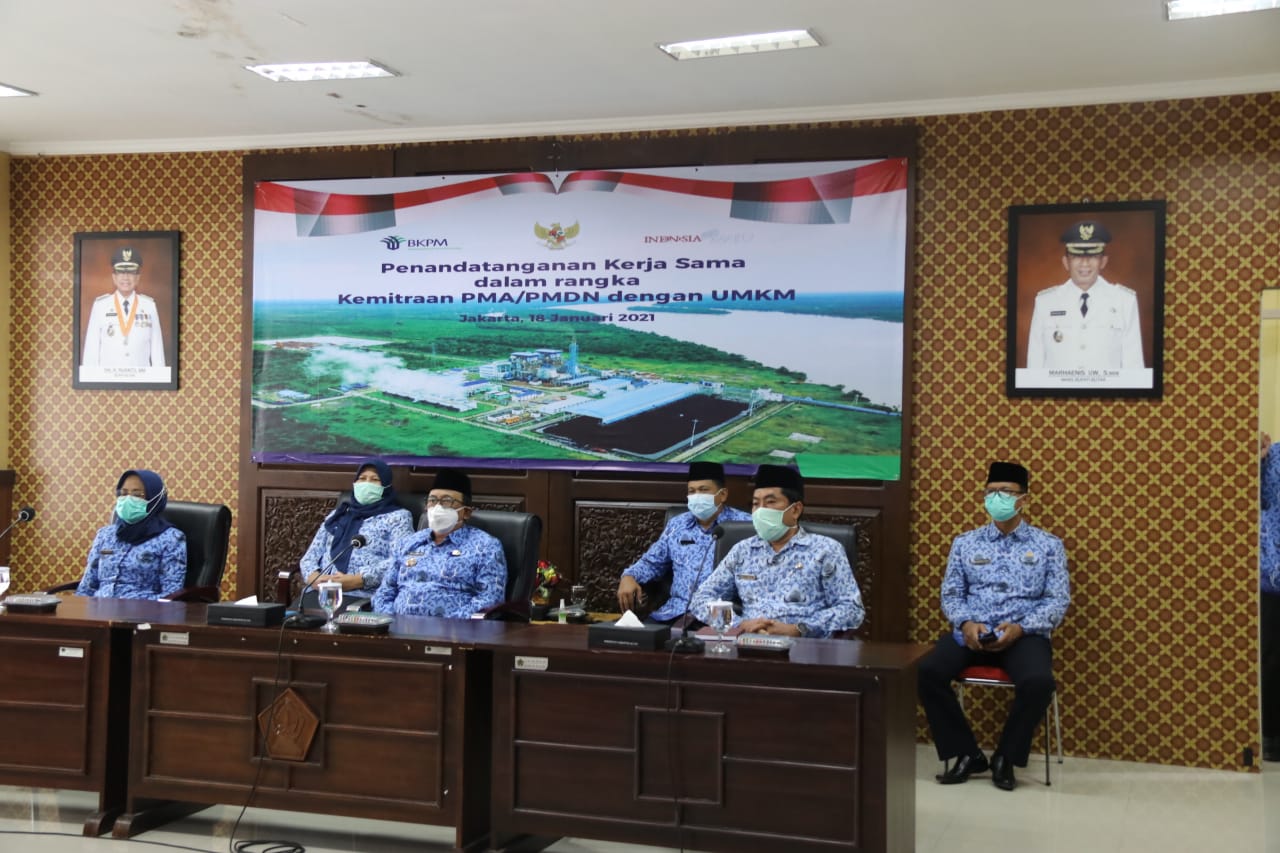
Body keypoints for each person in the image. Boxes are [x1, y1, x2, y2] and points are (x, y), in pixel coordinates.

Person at [918, 461, 1070, 791]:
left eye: (1005, 492)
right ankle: (967, 754)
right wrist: (966, 622)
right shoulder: (965, 543)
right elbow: (951, 593)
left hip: (1024, 635)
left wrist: (1021, 627)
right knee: (927, 671)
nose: (996, 498)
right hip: (972, 632)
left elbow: (1057, 600)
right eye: (991, 492)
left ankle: (1006, 757)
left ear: (1024, 499)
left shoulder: (1048, 545)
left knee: (1039, 682)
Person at [689, 464, 863, 638]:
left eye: (770, 502)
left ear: (795, 510)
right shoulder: (743, 551)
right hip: (749, 642)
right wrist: (739, 624)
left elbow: (851, 609)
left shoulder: (826, 550)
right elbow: (700, 599)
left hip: (804, 645)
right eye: (756, 504)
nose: (760, 510)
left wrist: (799, 628)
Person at [616, 460, 751, 623]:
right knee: (634, 634)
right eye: (692, 491)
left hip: (720, 615)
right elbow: (652, 562)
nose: (697, 496)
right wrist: (629, 576)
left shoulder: (745, 525)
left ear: (722, 495)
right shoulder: (678, 525)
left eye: (703, 490)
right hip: (675, 613)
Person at [371, 468, 507, 618]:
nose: (437, 507)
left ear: (466, 512)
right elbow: (384, 593)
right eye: (432, 500)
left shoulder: (485, 547)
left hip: (453, 629)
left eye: (447, 501)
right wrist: (391, 622)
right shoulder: (409, 543)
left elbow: (489, 600)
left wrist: (446, 626)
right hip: (397, 628)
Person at [1026, 220, 1143, 370]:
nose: (1085, 263)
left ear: (1103, 261)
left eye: (1093, 256)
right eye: (1076, 256)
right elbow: (1034, 366)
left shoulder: (1124, 301)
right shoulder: (1045, 302)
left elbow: (1134, 367)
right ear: (1066, 262)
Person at [298, 459, 415, 601]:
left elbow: (401, 560)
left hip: (363, 595)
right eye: (362, 478)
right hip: (321, 592)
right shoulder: (339, 515)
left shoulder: (398, 517)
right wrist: (314, 578)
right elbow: (310, 556)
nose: (367, 483)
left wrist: (358, 580)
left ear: (386, 486)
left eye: (375, 480)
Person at [76, 469, 187, 599]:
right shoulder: (105, 535)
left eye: (137, 494)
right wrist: (77, 606)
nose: (128, 499)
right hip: (98, 607)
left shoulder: (171, 538)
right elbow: (87, 585)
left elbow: (171, 593)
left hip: (142, 609)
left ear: (154, 499)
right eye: (123, 493)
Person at [81, 246, 167, 369]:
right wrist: (90, 378)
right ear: (114, 277)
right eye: (121, 272)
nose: (126, 277)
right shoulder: (100, 306)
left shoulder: (149, 306)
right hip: (108, 378)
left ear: (138, 277)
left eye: (131, 272)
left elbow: (157, 349)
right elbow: (91, 350)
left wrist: (160, 378)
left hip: (141, 378)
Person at [1261, 433, 1280, 761]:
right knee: (1274, 659)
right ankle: (1273, 738)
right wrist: (1255, 461)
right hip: (1273, 578)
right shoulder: (1273, 457)